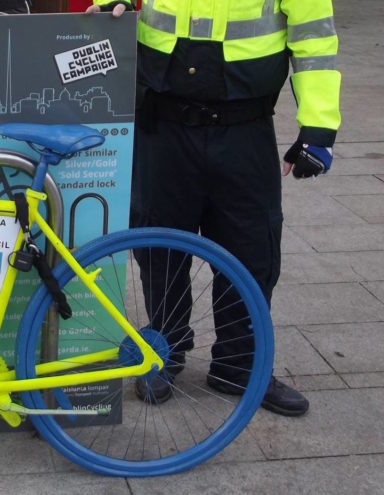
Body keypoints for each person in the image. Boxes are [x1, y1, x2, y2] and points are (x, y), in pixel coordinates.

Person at [87, 0, 341, 416]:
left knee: (251, 251)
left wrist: (319, 129)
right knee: (159, 248)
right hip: (163, 128)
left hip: (243, 130)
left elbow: (315, 43)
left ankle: (239, 366)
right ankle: (164, 350)